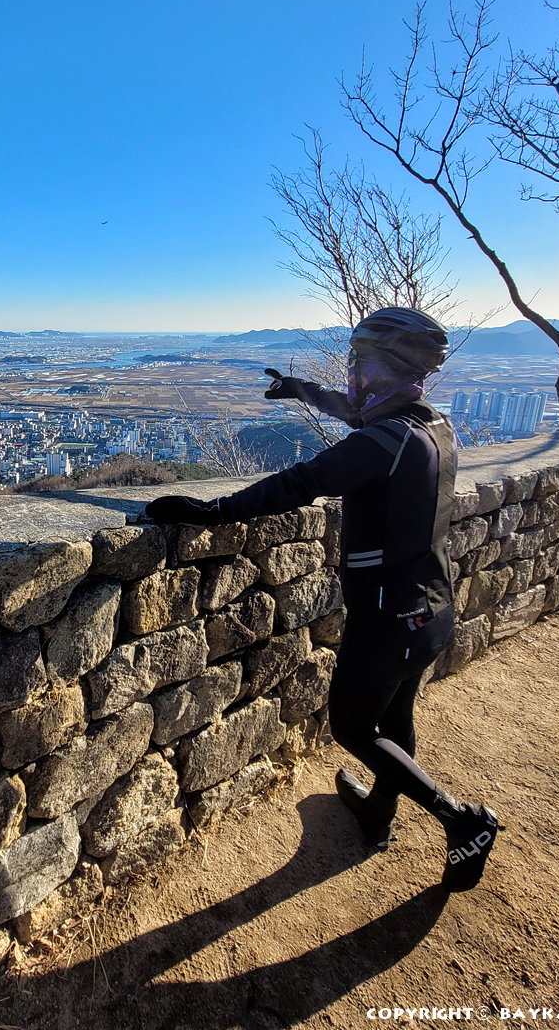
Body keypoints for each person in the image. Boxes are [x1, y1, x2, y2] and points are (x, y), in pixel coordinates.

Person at [144, 307, 499, 892]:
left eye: (361, 361)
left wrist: (212, 510)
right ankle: (378, 814)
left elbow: (302, 482)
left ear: (386, 368)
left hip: (388, 616)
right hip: (432, 606)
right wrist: (300, 390)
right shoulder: (429, 424)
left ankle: (461, 820)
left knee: (354, 728)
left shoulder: (386, 441)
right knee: (396, 718)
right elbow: (354, 411)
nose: (352, 370)